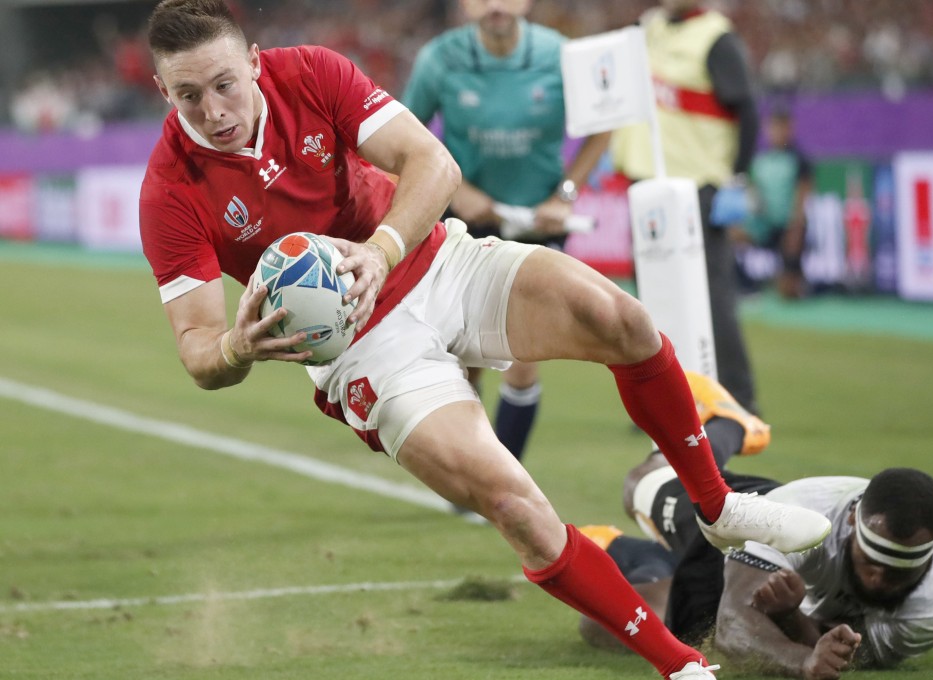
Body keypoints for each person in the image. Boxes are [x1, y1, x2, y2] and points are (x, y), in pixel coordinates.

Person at [138, 1, 831, 677]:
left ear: (255, 64)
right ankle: (681, 668)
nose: (214, 111)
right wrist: (235, 349)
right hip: (360, 349)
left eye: (224, 84)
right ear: (164, 92)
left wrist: (380, 252)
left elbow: (431, 163)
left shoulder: (311, 72)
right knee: (513, 506)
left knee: (623, 321)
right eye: (189, 96)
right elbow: (197, 345)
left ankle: (716, 505)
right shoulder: (170, 188)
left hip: (431, 258)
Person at [578, 427, 933, 679]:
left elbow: (841, 654)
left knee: (604, 620)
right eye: (870, 563)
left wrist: (789, 615)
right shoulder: (800, 513)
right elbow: (734, 625)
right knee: (643, 483)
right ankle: (728, 424)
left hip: (779, 584)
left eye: (898, 574)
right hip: (756, 519)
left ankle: (628, 553)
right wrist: (801, 663)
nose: (877, 579)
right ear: (853, 521)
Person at [402, 0, 611, 463]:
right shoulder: (439, 58)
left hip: (536, 228)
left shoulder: (561, 55)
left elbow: (602, 128)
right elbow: (404, 134)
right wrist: (457, 191)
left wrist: (566, 194)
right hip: (463, 227)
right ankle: (472, 468)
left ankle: (503, 476)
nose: (495, 5)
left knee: (522, 358)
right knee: (465, 358)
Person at [609, 0, 761, 414]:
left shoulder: (715, 38)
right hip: (649, 187)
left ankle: (737, 402)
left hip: (696, 187)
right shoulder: (648, 26)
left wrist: (738, 178)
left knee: (711, 299)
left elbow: (747, 110)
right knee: (651, 302)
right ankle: (667, 403)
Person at [737, 107, 813, 299]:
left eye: (781, 127)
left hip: (789, 227)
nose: (776, 132)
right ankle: (745, 285)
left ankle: (793, 276)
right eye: (773, 127)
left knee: (789, 294)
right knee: (732, 233)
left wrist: (795, 226)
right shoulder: (761, 160)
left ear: (789, 129)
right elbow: (753, 192)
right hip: (764, 224)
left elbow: (803, 197)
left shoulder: (799, 160)